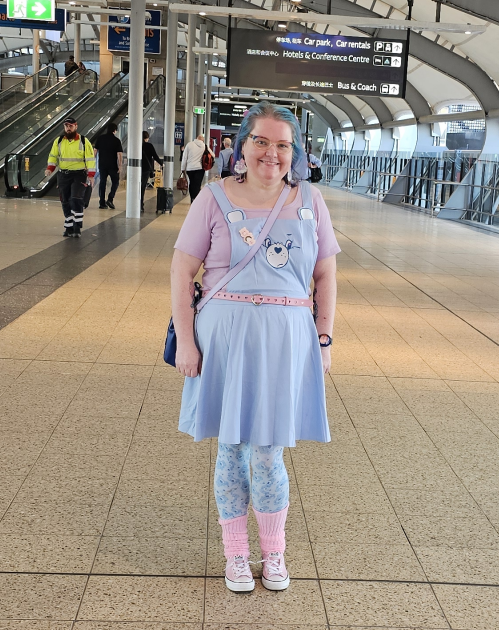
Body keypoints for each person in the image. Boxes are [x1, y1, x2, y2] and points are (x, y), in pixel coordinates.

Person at [170, 102, 339, 594]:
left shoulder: (311, 200)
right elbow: (182, 272)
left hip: (287, 339)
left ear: (295, 152)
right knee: (230, 449)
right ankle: (236, 556)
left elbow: (325, 274)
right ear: (240, 147)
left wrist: (323, 337)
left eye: (282, 144)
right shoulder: (213, 198)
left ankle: (275, 552)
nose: (271, 153)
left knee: (269, 452)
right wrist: (186, 341)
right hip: (225, 338)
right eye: (261, 142)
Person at [45, 117, 95, 238]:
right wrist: (50, 168)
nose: (68, 128)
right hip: (63, 174)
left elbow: (90, 158)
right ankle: (69, 226)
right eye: (66, 126)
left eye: (71, 126)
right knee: (65, 200)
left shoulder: (84, 141)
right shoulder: (59, 141)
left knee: (76, 198)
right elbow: (53, 156)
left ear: (76, 126)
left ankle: (77, 227)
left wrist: (91, 175)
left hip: (79, 174)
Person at [94, 122, 123, 210]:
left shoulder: (100, 138)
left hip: (102, 165)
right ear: (114, 130)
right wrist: (120, 165)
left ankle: (102, 202)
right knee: (115, 182)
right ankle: (110, 199)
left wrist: (91, 163)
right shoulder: (116, 140)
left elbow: (95, 151)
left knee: (102, 182)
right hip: (113, 165)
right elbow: (119, 154)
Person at [181, 133, 208, 201]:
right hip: (200, 168)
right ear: (202, 140)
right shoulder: (204, 146)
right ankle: (196, 199)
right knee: (197, 184)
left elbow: (184, 157)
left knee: (191, 183)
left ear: (196, 138)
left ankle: (192, 198)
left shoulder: (189, 144)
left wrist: (183, 168)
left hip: (190, 168)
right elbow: (212, 155)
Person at [141, 131, 164, 212]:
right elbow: (155, 156)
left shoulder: (136, 144)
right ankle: (140, 204)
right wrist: (161, 164)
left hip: (136, 168)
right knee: (142, 186)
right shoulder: (149, 145)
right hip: (146, 169)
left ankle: (135, 203)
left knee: (135, 186)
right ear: (147, 138)